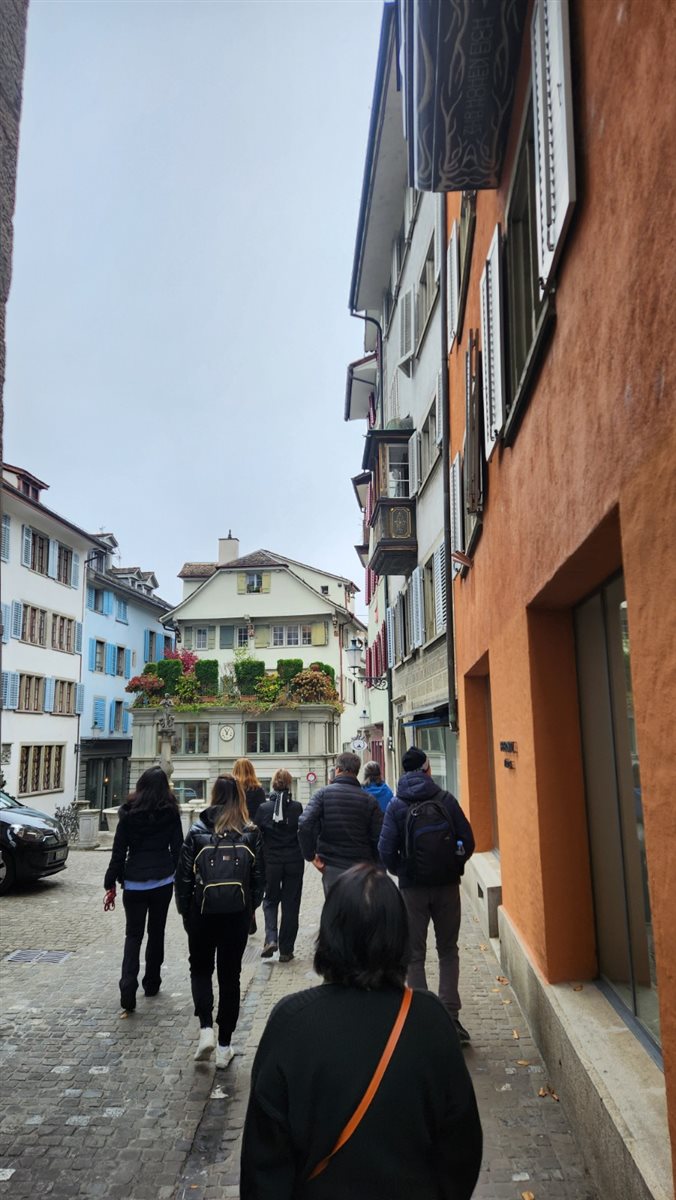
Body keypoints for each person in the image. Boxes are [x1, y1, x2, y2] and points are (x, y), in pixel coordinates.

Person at [240, 863, 482, 1199]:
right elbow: (461, 1147)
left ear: (329, 933)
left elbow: (263, 1160)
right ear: (400, 935)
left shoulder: (291, 1022)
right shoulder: (430, 1020)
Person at [378, 747, 475, 1044]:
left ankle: (421, 1023)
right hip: (447, 886)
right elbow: (469, 841)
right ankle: (451, 1019)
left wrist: (403, 871)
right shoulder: (445, 799)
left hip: (412, 890)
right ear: (426, 768)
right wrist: (453, 864)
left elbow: (384, 851)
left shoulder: (396, 805)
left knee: (415, 955)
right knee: (448, 950)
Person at [175, 774, 264, 1066]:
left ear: (213, 795)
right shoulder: (251, 832)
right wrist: (250, 907)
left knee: (200, 970)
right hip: (236, 915)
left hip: (202, 913)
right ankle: (225, 1046)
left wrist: (186, 913)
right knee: (230, 977)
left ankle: (205, 1031)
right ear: (240, 797)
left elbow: (183, 878)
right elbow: (259, 878)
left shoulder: (197, 830)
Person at [103, 766, 183, 1014]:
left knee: (133, 935)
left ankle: (128, 984)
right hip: (162, 880)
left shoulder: (128, 813)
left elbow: (119, 852)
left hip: (135, 881)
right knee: (156, 931)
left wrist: (110, 883)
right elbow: (178, 848)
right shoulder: (170, 813)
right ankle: (152, 982)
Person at [297, 751, 383, 897]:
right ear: (356, 772)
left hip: (332, 865)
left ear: (337, 770)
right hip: (361, 867)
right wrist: (376, 865)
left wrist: (310, 855)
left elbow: (304, 823)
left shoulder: (322, 794)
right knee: (359, 914)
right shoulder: (369, 799)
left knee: (335, 913)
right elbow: (377, 837)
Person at [255, 769, 304, 962]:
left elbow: (257, 837)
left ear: (272, 784)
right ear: (289, 784)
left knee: (270, 900)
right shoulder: (297, 807)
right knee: (291, 904)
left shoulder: (264, 809)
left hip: (272, 862)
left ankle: (271, 938)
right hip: (294, 862)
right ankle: (286, 950)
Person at [232, 757, 266, 933]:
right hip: (252, 839)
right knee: (252, 877)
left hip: (234, 838)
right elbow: (260, 817)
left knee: (235, 875)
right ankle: (251, 912)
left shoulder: (232, 789)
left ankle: (237, 910)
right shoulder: (258, 790)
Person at [233, 757, 266, 824]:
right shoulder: (258, 789)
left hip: (233, 826)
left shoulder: (231, 788)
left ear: (235, 771)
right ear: (251, 771)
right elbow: (262, 812)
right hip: (252, 827)